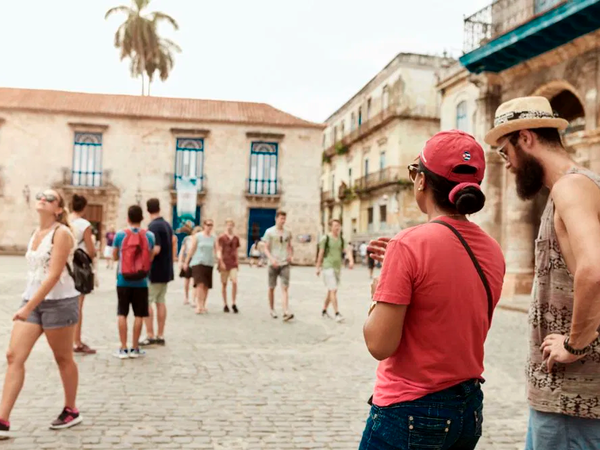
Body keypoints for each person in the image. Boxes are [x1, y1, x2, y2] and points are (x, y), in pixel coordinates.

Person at [359, 130, 506, 450]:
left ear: (422, 181)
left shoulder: (408, 244)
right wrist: (400, 268)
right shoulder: (493, 249)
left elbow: (379, 344)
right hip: (467, 409)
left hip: (410, 410)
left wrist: (378, 293)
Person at [485, 96, 600, 448]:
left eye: (505, 151)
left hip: (571, 399)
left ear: (526, 138)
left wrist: (574, 345)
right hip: (567, 401)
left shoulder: (571, 187)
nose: (507, 164)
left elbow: (594, 269)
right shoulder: (580, 185)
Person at [0, 189, 83, 439]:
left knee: (63, 358)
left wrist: (27, 307)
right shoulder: (36, 233)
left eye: (50, 198)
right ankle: (2, 420)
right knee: (14, 356)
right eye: (40, 196)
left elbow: (54, 275)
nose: (43, 199)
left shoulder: (62, 233)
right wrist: (29, 304)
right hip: (33, 300)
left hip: (59, 303)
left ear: (58, 209)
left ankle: (71, 409)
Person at [112, 205, 155, 359]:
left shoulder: (120, 235)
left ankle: (123, 348)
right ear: (142, 218)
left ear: (128, 218)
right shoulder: (149, 235)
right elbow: (150, 257)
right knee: (139, 315)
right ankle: (135, 348)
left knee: (122, 313)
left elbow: (114, 256)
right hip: (141, 281)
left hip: (123, 280)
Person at [140, 199, 176, 347]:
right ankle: (160, 335)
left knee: (147, 302)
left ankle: (150, 335)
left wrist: (145, 260)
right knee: (160, 301)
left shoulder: (153, 226)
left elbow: (156, 248)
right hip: (166, 269)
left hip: (155, 270)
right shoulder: (167, 225)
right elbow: (173, 241)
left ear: (148, 210)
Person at [69, 194, 96, 355]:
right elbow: (91, 250)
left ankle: (66, 340)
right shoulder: (84, 225)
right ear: (84, 208)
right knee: (78, 306)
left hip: (64, 265)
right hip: (78, 267)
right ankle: (76, 341)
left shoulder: (65, 221)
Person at [316, 218, 354, 322]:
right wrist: (318, 267)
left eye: (339, 225)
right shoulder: (325, 239)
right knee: (333, 289)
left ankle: (324, 310)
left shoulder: (341, 239)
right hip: (327, 266)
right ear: (331, 227)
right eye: (335, 225)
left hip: (337, 268)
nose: (337, 227)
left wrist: (351, 260)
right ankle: (337, 313)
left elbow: (347, 250)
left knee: (331, 290)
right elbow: (321, 253)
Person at [262, 211, 294, 321]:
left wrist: (290, 255)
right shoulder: (269, 232)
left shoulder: (288, 232)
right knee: (272, 287)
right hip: (273, 263)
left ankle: (285, 311)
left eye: (284, 219)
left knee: (285, 287)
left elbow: (290, 246)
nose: (283, 221)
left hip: (284, 263)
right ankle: (272, 309)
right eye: (281, 218)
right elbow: (265, 248)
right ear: (276, 219)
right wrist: (271, 259)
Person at [184, 219, 220, 314]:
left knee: (206, 285)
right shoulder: (198, 236)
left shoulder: (214, 237)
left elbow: (217, 249)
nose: (209, 227)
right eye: (208, 225)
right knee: (200, 283)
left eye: (211, 225)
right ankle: (199, 305)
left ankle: (203, 304)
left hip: (209, 263)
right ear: (204, 225)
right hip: (198, 262)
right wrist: (186, 262)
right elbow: (192, 249)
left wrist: (219, 258)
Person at [217, 219, 240, 313]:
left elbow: (236, 250)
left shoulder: (236, 238)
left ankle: (233, 302)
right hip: (224, 261)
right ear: (225, 226)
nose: (229, 226)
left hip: (233, 262)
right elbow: (219, 250)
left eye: (231, 225)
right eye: (228, 225)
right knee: (224, 283)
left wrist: (237, 261)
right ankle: (225, 303)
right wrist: (221, 261)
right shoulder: (221, 238)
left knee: (234, 282)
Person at [177, 222, 195, 305]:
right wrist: (180, 261)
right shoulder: (187, 239)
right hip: (188, 258)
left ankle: (194, 298)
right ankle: (186, 297)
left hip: (196, 258)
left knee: (195, 280)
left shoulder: (198, 238)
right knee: (187, 279)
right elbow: (182, 250)